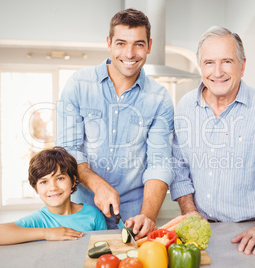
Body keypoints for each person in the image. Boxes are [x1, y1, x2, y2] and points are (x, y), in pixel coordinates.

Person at [170, 26, 255, 255]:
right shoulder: (186, 106)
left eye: (226, 61)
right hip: (199, 233)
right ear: (201, 66)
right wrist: (189, 210)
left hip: (252, 234)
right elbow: (178, 166)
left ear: (242, 65)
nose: (217, 72)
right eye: (209, 63)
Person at [57, 8, 174, 238]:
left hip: (134, 217)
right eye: (121, 43)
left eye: (138, 44)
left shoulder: (160, 98)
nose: (130, 53)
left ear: (149, 46)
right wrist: (97, 184)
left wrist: (148, 216)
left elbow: (159, 163)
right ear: (109, 43)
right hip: (81, 214)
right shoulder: (78, 84)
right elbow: (67, 150)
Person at [0, 147, 107, 245]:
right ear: (36, 189)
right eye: (44, 182)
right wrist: (47, 233)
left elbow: (105, 249)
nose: (53, 187)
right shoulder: (38, 220)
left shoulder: (93, 215)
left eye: (60, 178)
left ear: (73, 181)